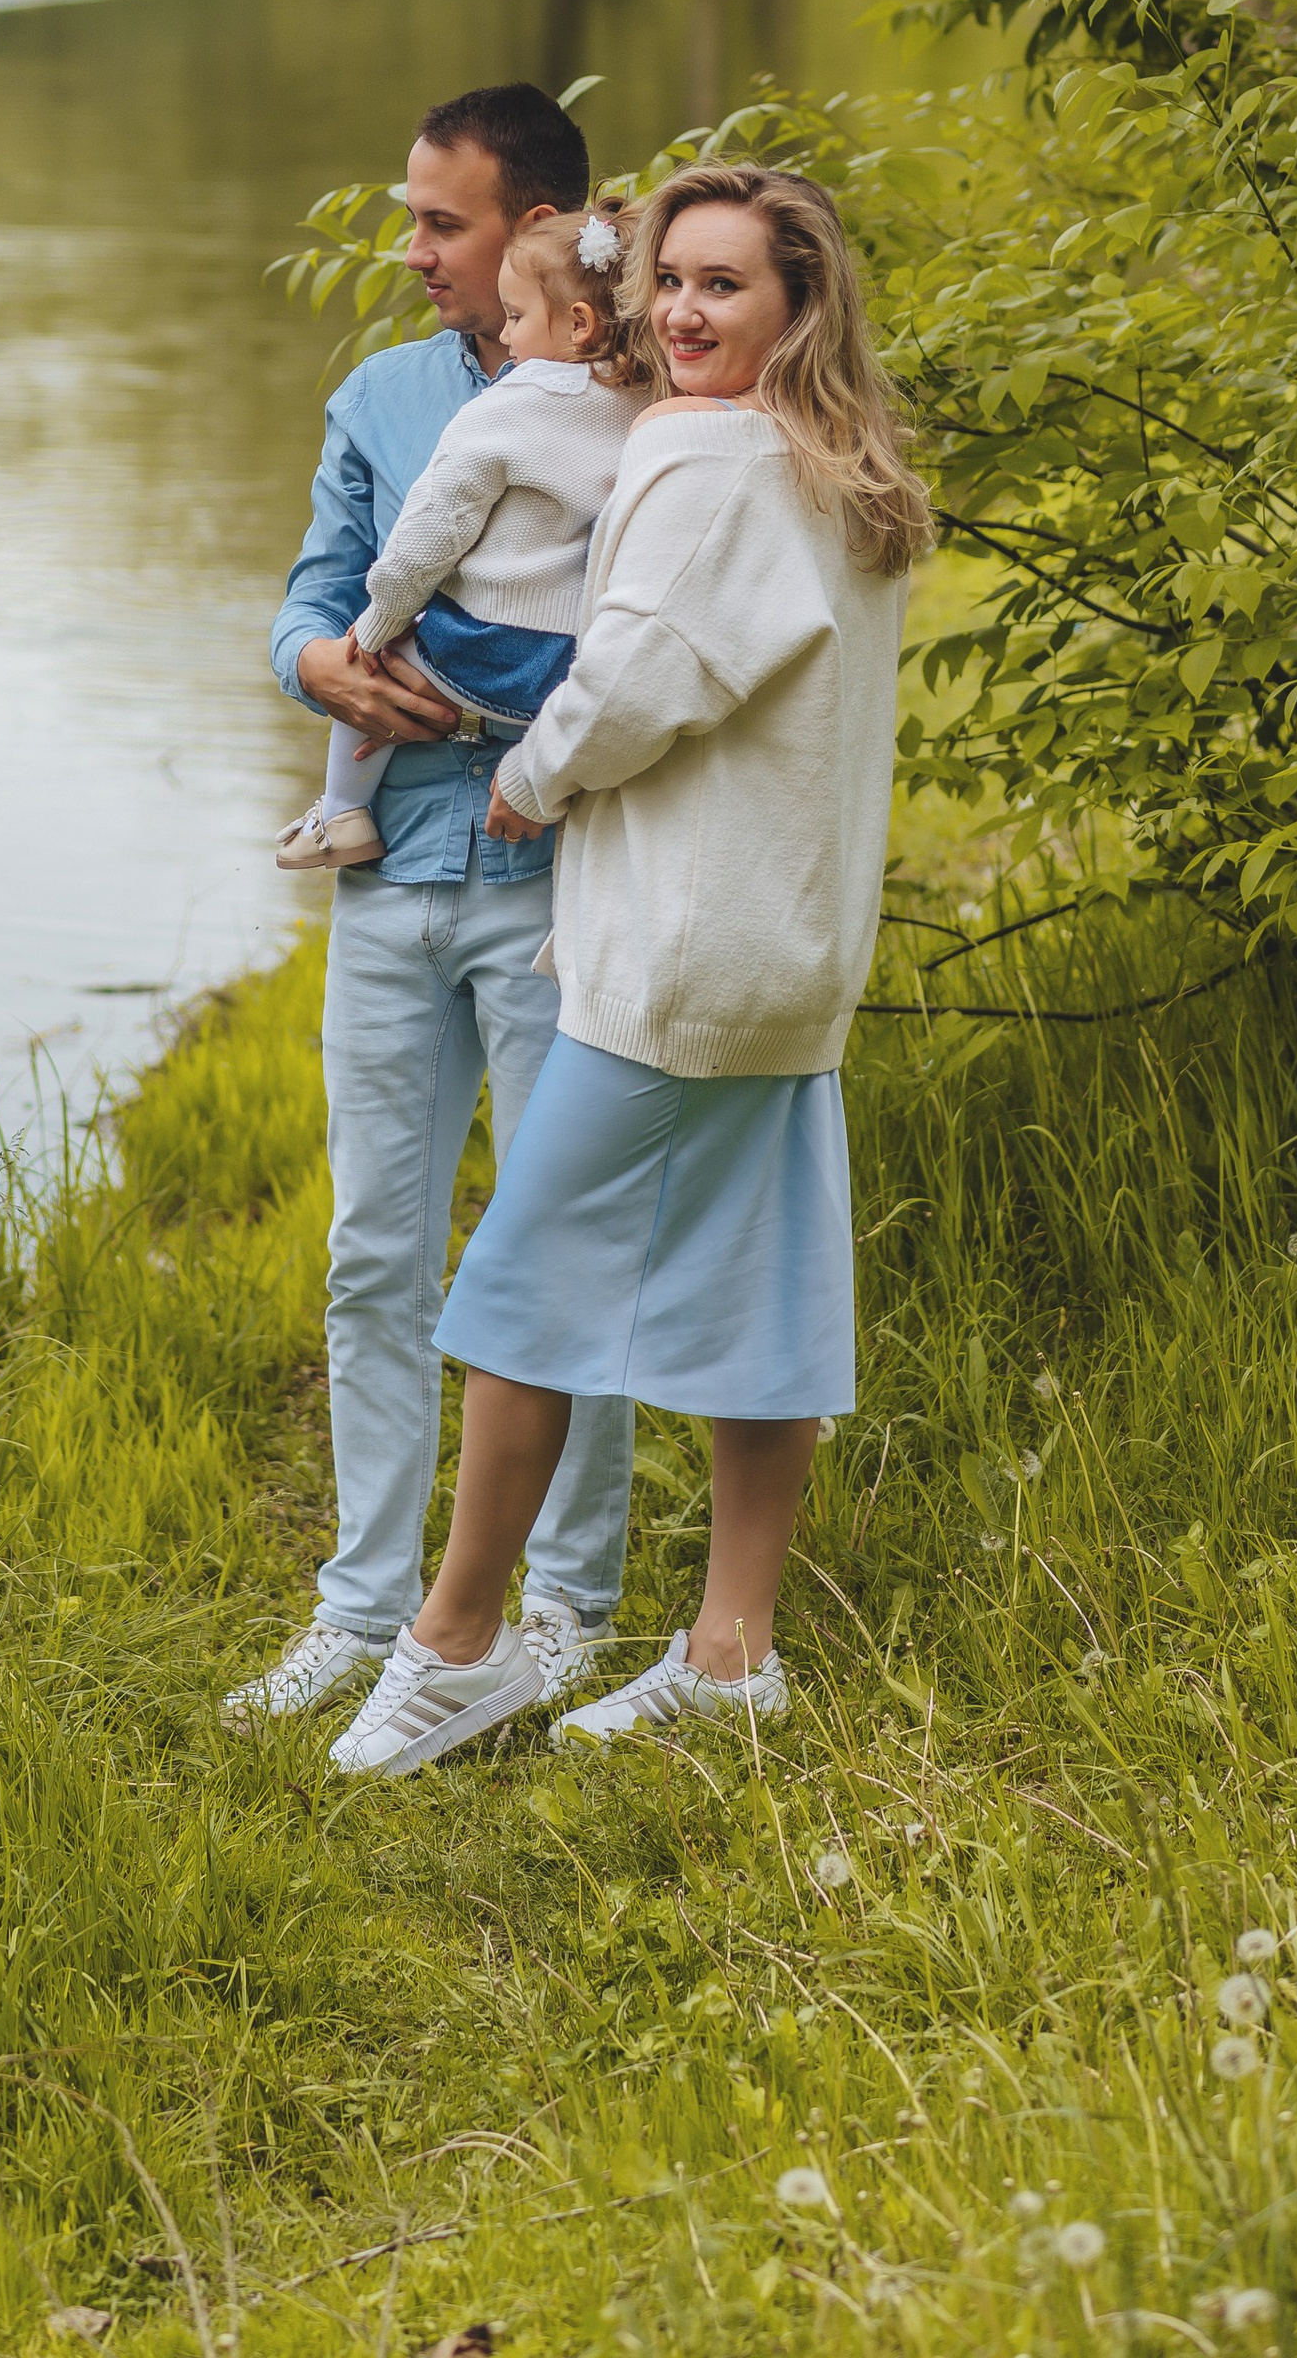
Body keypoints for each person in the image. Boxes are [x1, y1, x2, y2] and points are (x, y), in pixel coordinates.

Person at [325, 157, 931, 1778]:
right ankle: (731, 1653)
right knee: (759, 1291)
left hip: (679, 957)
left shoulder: (705, 456)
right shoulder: (842, 467)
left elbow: (638, 672)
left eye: (725, 285)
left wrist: (530, 783)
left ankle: (452, 1644)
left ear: (800, 305)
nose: (681, 311)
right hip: (787, 955)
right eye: (671, 279)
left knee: (518, 1290)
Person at [222, 87, 639, 1729]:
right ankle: (361, 1610)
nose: (411, 254)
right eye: (409, 218)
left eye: (439, 225)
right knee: (374, 1247)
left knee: (557, 1249)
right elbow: (317, 599)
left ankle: (567, 1610)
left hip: (557, 876)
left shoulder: (636, 399)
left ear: (538, 229)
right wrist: (313, 661)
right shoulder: (384, 399)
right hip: (389, 870)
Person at [273, 205, 647, 872]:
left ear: (579, 324)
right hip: (572, 671)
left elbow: (432, 529)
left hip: (484, 650)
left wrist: (380, 620)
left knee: (371, 667)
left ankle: (339, 813)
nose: (508, 333)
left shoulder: (508, 405)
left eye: (518, 317)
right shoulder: (647, 403)